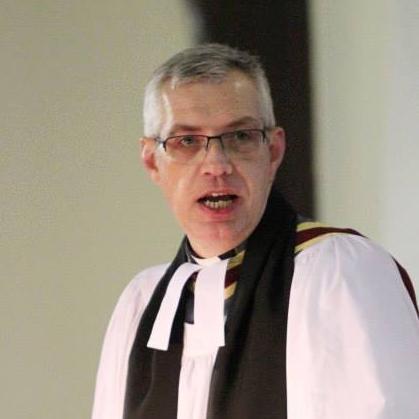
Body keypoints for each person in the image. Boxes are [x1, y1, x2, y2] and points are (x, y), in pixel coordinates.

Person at [92, 44, 419, 419]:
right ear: (152, 160)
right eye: (187, 141)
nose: (216, 165)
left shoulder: (338, 273)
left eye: (241, 137)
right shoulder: (143, 306)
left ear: (274, 151)